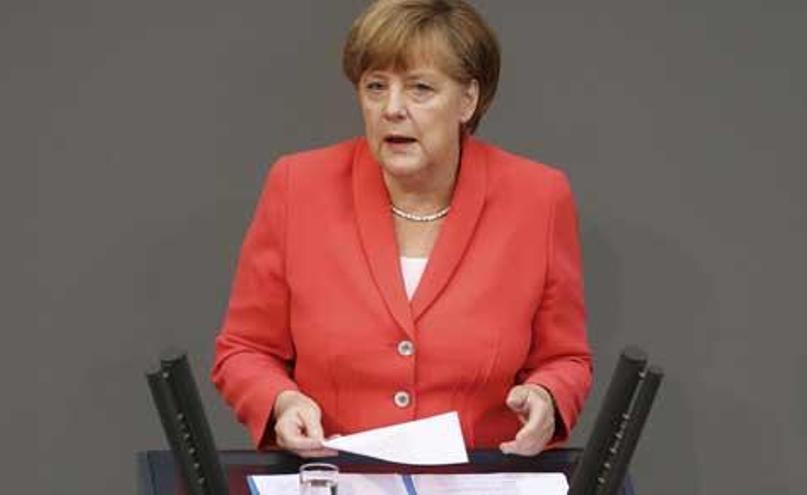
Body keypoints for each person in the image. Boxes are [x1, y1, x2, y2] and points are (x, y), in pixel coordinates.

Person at [212, 0, 592, 459]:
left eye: (420, 89)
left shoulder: (538, 198)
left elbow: (565, 360)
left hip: (476, 482)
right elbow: (244, 350)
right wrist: (281, 401)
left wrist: (548, 396)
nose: (392, 109)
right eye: (376, 87)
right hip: (335, 478)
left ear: (468, 100)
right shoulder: (298, 186)